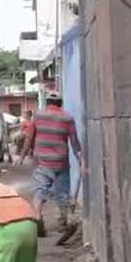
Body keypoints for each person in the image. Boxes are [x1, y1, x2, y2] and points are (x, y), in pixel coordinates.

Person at [29, 93, 86, 241]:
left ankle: (37, 216)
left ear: (47, 102)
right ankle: (63, 221)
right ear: (60, 103)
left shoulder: (38, 116)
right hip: (61, 161)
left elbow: (30, 137)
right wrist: (80, 159)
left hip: (42, 161)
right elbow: (74, 142)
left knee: (40, 190)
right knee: (63, 192)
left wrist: (23, 154)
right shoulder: (67, 118)